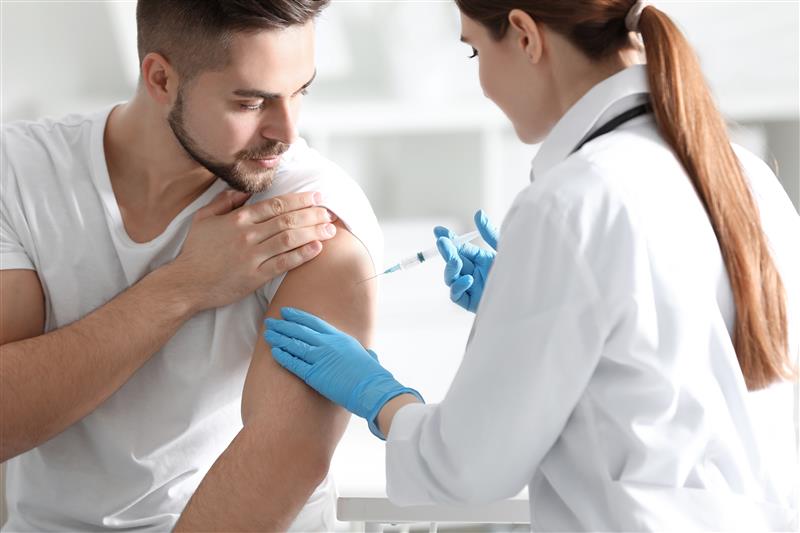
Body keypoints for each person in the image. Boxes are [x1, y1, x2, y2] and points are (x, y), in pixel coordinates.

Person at [265, 1, 800, 530]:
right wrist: (527, 305)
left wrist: (380, 396)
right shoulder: (746, 176)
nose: (483, 83)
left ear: (524, 34)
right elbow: (670, 371)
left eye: (474, 52)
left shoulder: (570, 201)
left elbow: (468, 467)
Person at [0, 1, 382, 530]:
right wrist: (183, 286)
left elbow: (288, 456)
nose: (288, 132)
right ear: (160, 78)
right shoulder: (20, 174)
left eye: (301, 91)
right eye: (251, 102)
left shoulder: (310, 211)